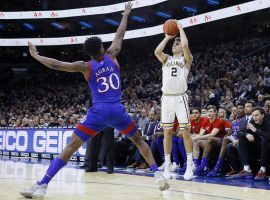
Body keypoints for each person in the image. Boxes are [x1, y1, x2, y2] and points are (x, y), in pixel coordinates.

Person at [20, 3, 168, 198]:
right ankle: (157, 174)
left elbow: (56, 64)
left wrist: (36, 55)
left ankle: (42, 185)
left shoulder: (85, 66)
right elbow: (120, 34)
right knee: (139, 140)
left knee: (71, 147)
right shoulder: (112, 54)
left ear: (89, 53)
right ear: (101, 47)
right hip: (117, 110)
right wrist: (125, 15)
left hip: (98, 112)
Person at [154, 20, 194, 180]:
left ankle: (190, 164)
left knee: (185, 131)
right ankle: (168, 164)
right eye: (174, 44)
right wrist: (167, 37)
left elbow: (185, 45)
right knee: (167, 132)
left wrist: (181, 29)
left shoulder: (186, 59)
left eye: (176, 44)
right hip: (167, 99)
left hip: (180, 98)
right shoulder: (166, 59)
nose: (174, 45)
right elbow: (157, 51)